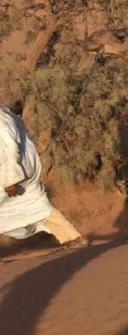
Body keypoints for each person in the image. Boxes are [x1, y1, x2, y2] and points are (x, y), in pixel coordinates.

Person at [1, 106, 84, 247]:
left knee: (37, 206)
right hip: (17, 171)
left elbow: (8, 150)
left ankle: (74, 238)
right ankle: (72, 236)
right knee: (36, 205)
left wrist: (10, 180)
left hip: (13, 173)